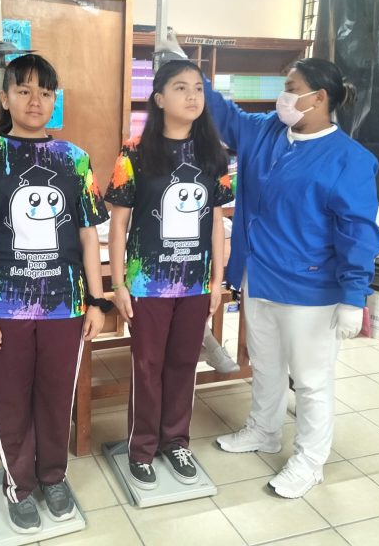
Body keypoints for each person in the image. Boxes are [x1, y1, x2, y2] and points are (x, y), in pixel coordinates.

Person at [0, 54, 109, 534]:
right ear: (5, 97)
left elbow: (88, 236)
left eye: (45, 92)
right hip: (5, 308)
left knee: (56, 398)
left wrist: (96, 300)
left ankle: (54, 477)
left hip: (64, 305)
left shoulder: (75, 159)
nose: (35, 101)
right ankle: (18, 484)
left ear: (55, 100)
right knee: (11, 401)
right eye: (24, 90)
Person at [206, 57, 379, 498]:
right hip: (259, 276)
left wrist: (353, 295)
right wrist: (183, 67)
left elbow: (359, 232)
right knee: (264, 364)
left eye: (291, 87)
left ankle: (309, 461)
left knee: (310, 379)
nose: (282, 97)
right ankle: (264, 430)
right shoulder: (267, 132)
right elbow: (224, 115)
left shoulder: (349, 160)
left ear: (319, 97)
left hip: (310, 289)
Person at [105, 59, 233, 489]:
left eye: (198, 88)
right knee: (148, 365)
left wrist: (216, 281)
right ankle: (141, 447)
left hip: (195, 281)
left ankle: (176, 441)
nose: (192, 96)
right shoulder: (134, 153)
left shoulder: (214, 154)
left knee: (184, 362)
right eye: (180, 88)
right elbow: (119, 225)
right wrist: (118, 284)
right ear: (159, 99)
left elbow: (215, 223)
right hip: (148, 282)